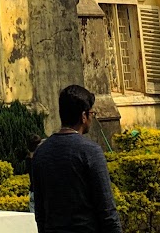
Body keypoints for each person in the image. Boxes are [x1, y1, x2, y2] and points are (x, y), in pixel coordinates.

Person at [28, 84, 123, 233]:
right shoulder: (90, 152)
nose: (92, 117)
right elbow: (107, 212)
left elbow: (40, 212)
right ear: (83, 116)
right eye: (91, 113)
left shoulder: (41, 153)